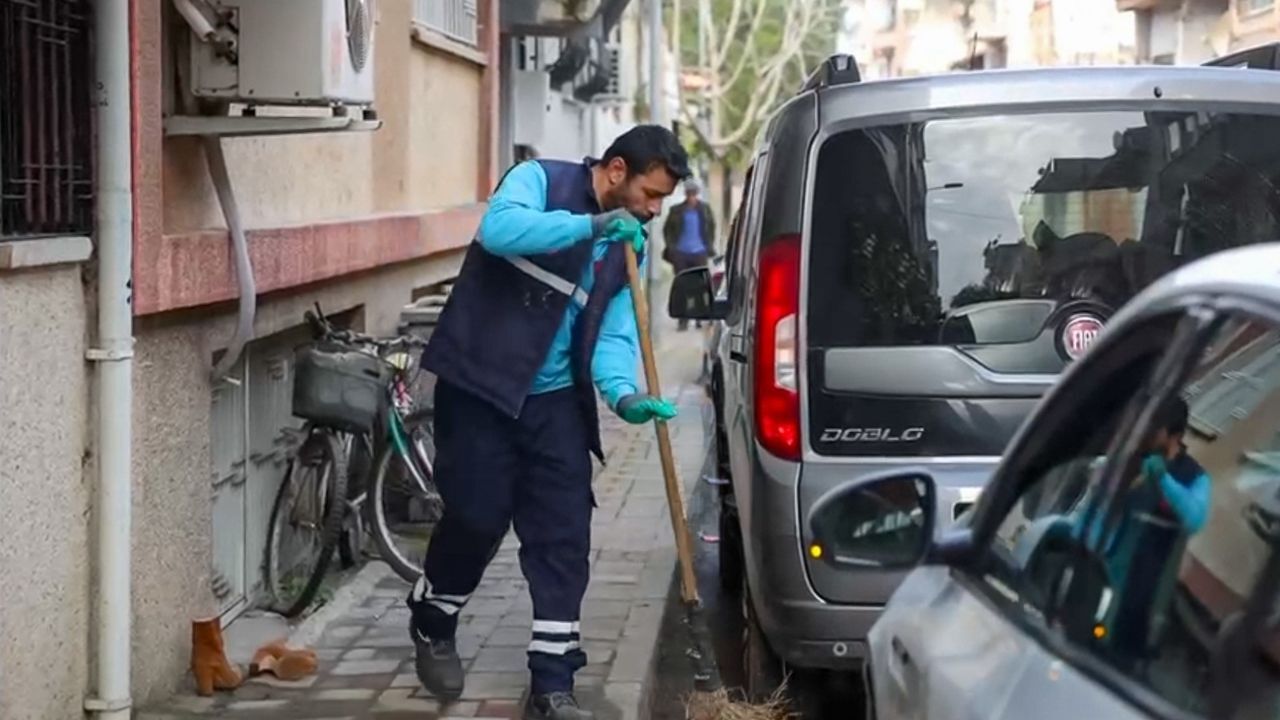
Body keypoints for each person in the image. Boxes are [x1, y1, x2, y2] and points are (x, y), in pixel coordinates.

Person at [411, 126, 692, 720]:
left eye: (661, 200)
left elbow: (614, 335)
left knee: (563, 535)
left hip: (556, 402)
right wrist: (590, 227)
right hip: (481, 388)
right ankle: (434, 618)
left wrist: (623, 395)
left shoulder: (629, 247)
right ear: (616, 170)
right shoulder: (539, 180)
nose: (652, 209)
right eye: (649, 193)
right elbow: (499, 230)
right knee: (478, 517)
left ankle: (553, 682)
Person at [1098, 396, 1211, 673]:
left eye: (1156, 429)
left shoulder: (1194, 477)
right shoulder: (1133, 460)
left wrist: (1163, 481)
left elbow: (1195, 518)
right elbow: (1098, 506)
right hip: (1104, 587)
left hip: (1147, 604)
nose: (1148, 434)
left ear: (1175, 435)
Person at [662, 178, 716, 330]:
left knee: (699, 285)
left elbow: (711, 227)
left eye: (694, 193)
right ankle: (682, 320)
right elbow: (668, 230)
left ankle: (699, 318)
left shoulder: (704, 210)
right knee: (682, 285)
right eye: (689, 194)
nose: (691, 197)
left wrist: (708, 245)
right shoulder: (676, 210)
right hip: (681, 253)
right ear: (686, 194)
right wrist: (672, 248)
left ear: (697, 194)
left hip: (699, 252)